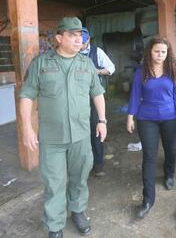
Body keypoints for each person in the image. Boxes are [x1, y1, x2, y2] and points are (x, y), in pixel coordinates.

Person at [19, 17, 107, 238]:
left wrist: (103, 121)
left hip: (80, 136)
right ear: (59, 38)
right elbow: (27, 96)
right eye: (73, 35)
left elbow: (97, 93)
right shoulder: (41, 63)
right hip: (52, 139)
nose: (79, 40)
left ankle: (77, 212)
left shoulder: (86, 64)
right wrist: (27, 128)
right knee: (54, 183)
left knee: (79, 178)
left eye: (81, 36)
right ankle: (55, 225)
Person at [126, 36, 176, 219]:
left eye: (163, 51)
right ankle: (148, 200)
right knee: (149, 157)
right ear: (150, 52)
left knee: (170, 149)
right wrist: (130, 116)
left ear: (167, 53)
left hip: (170, 117)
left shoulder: (173, 69)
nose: (160, 55)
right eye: (156, 51)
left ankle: (169, 175)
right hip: (146, 118)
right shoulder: (141, 71)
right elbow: (135, 95)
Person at [80, 27, 115, 177]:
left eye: (82, 41)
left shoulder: (96, 51)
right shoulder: (71, 53)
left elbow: (111, 68)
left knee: (96, 130)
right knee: (80, 131)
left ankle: (98, 163)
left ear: (88, 40)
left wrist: (97, 71)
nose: (78, 44)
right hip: (77, 98)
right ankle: (81, 164)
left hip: (94, 97)